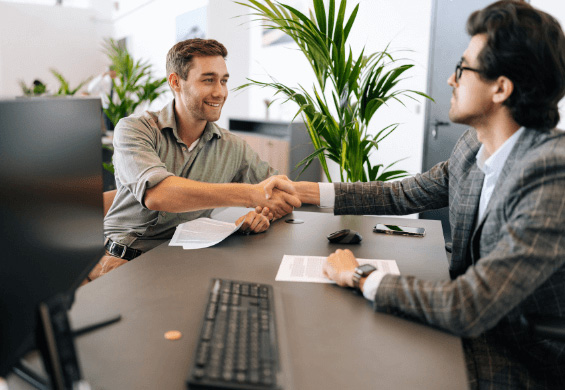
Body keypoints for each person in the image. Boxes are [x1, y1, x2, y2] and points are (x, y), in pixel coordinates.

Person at [267, 1, 565, 388]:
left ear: (501, 88)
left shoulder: (550, 173)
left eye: (463, 68)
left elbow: (468, 306)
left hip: (524, 354)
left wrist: (359, 274)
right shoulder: (471, 150)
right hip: (476, 328)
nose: (451, 80)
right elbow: (398, 195)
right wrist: (300, 189)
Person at [91, 38, 300, 281]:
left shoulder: (232, 146)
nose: (220, 92)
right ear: (175, 82)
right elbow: (158, 195)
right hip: (120, 260)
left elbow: (280, 189)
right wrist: (251, 195)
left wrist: (265, 211)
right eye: (208, 80)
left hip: (182, 262)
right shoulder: (135, 129)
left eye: (223, 81)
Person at [87, 66, 117, 130]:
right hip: (107, 109)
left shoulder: (120, 80)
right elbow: (90, 89)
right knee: (109, 131)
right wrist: (102, 75)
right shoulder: (104, 81)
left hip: (119, 109)